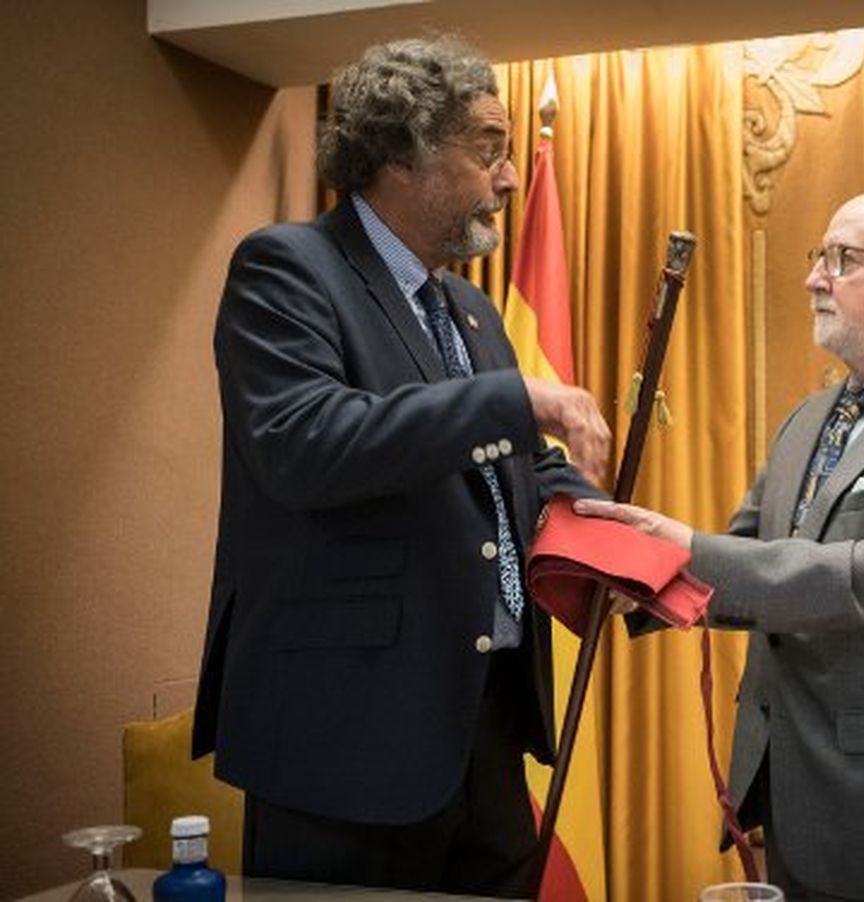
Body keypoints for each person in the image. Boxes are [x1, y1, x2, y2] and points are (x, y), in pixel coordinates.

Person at [190, 37, 611, 897]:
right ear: (397, 154)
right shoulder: (286, 268)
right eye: (486, 149)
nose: (507, 178)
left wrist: (610, 536)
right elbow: (308, 444)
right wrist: (517, 401)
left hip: (483, 731)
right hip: (344, 741)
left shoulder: (468, 306)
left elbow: (519, 470)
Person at [576, 191, 864, 901]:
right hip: (796, 789)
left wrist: (681, 551)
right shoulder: (812, 417)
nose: (816, 277)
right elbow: (749, 558)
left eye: (844, 259)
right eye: (818, 257)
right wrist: (636, 580)